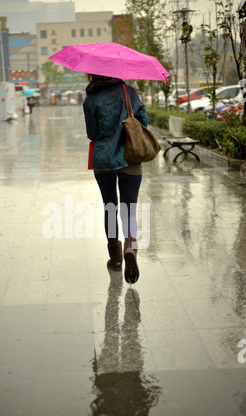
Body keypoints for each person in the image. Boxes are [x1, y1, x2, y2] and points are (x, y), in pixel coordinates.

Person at [83, 74, 149, 284]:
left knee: (109, 206)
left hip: (103, 160)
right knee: (129, 207)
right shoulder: (128, 91)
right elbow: (143, 120)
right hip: (130, 155)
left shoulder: (91, 99)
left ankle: (116, 259)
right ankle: (131, 246)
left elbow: (92, 133)